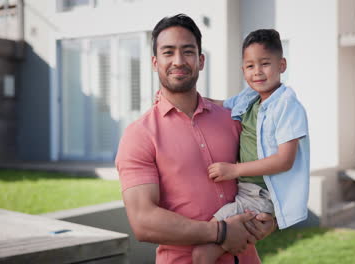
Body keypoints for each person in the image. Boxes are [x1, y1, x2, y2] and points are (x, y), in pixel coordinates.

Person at [115, 14, 275, 264]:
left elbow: (267, 175)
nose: (178, 61)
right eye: (168, 52)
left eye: (187, 52)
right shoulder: (139, 135)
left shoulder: (232, 120)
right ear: (155, 62)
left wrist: (272, 220)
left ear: (201, 60)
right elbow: (143, 221)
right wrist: (220, 231)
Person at [192, 29, 310, 263]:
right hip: (247, 191)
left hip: (261, 195)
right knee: (212, 250)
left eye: (265, 64)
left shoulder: (287, 106)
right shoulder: (250, 98)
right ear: (243, 69)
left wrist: (233, 170)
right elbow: (218, 105)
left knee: (201, 253)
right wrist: (177, 98)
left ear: (282, 65)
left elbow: (284, 160)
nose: (257, 72)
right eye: (250, 66)